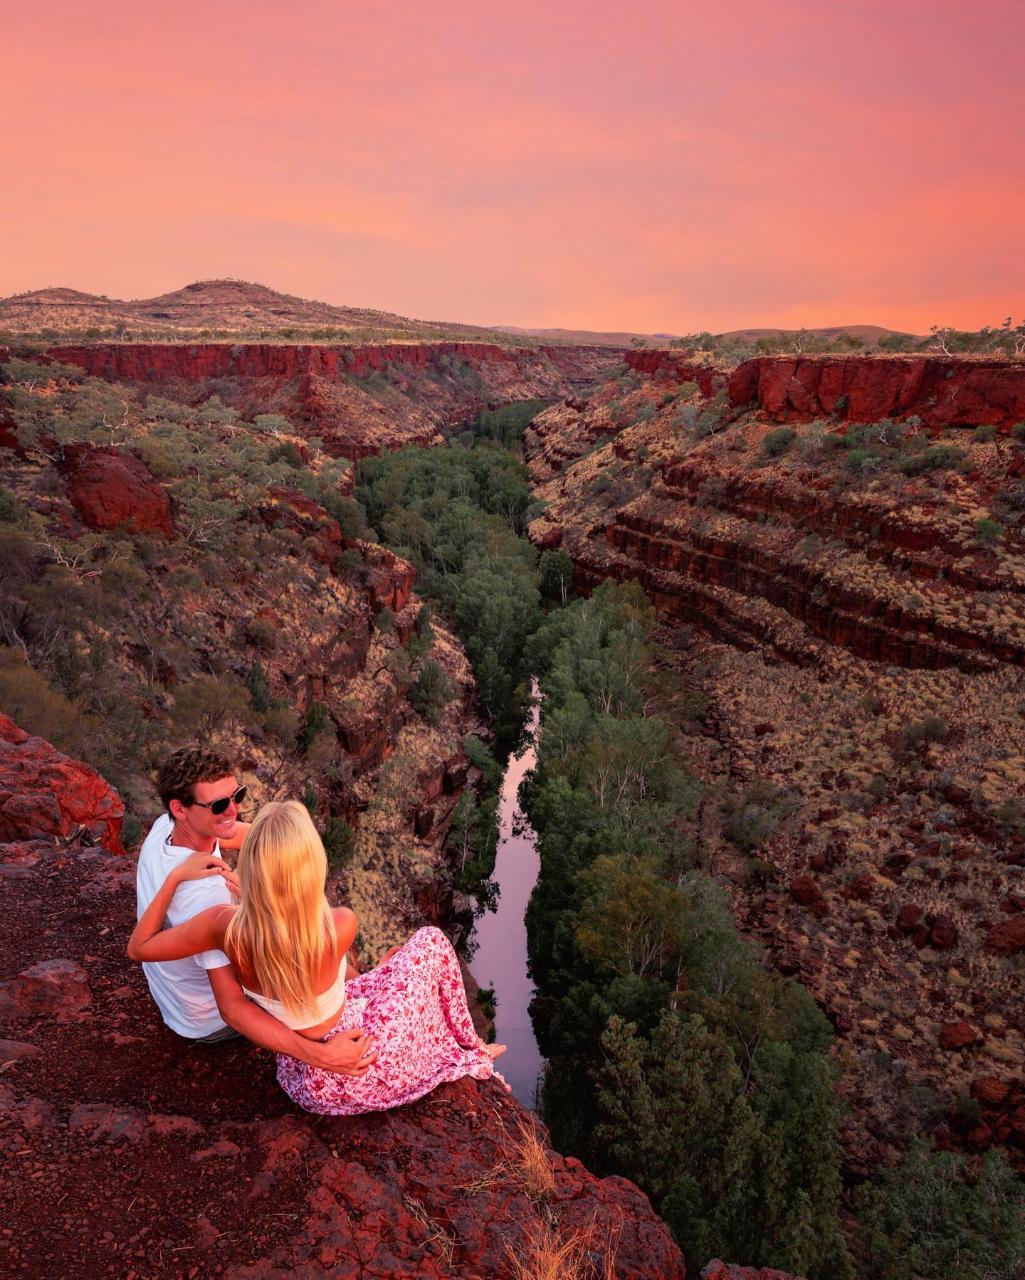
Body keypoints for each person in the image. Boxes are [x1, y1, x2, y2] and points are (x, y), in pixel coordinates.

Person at [129, 799, 506, 1114]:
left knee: (378, 974)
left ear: (253, 867)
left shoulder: (223, 928)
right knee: (430, 942)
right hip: (365, 1060)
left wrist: (175, 877)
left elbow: (139, 948)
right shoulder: (340, 924)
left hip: (307, 1084)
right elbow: (309, 945)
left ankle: (464, 1047)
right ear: (311, 866)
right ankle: (472, 1049)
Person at [135, 748, 377, 1078]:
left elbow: (251, 836)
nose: (233, 811)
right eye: (219, 805)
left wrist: (285, 848)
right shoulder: (209, 901)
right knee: (300, 944)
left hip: (173, 998)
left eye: (237, 796)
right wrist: (320, 1056)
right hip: (207, 1021)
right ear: (181, 808)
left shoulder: (166, 825)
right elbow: (233, 1009)